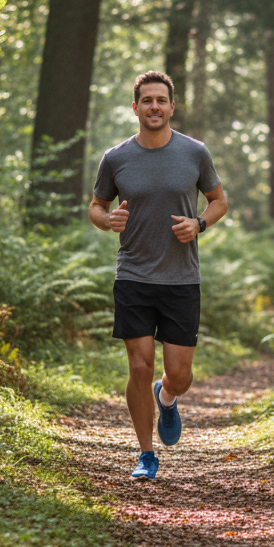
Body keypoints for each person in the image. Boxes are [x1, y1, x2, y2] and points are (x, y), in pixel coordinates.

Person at [89, 71, 228, 480]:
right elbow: (96, 206)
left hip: (182, 278)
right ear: (136, 107)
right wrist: (106, 219)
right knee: (139, 366)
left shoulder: (195, 153)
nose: (154, 106)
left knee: (180, 375)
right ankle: (146, 454)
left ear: (171, 106)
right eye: (146, 100)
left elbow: (219, 201)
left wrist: (199, 224)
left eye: (160, 100)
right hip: (133, 275)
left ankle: (167, 398)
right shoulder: (115, 158)